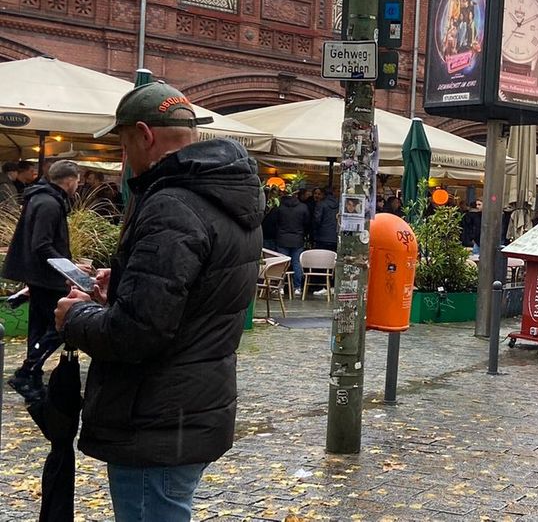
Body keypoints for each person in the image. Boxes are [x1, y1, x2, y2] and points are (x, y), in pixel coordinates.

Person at [55, 81, 261, 521]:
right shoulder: (227, 193)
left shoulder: (171, 203)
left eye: (124, 143)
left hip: (155, 415)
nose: (123, 157)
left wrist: (76, 317)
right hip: (191, 405)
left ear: (145, 135)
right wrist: (127, 284)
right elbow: (197, 298)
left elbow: (138, 333)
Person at [2, 159, 80, 401]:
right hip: (48, 278)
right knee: (62, 326)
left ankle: (31, 376)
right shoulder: (49, 203)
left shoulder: (40, 198)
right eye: (77, 181)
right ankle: (28, 370)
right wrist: (69, 269)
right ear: (70, 181)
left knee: (40, 327)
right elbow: (42, 244)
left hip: (38, 276)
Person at [276, 188, 310, 295]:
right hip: (297, 238)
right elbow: (307, 222)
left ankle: (280, 286)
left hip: (282, 238)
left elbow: (275, 222)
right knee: (296, 263)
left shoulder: (280, 207)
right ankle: (297, 287)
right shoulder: (303, 207)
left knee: (281, 263)